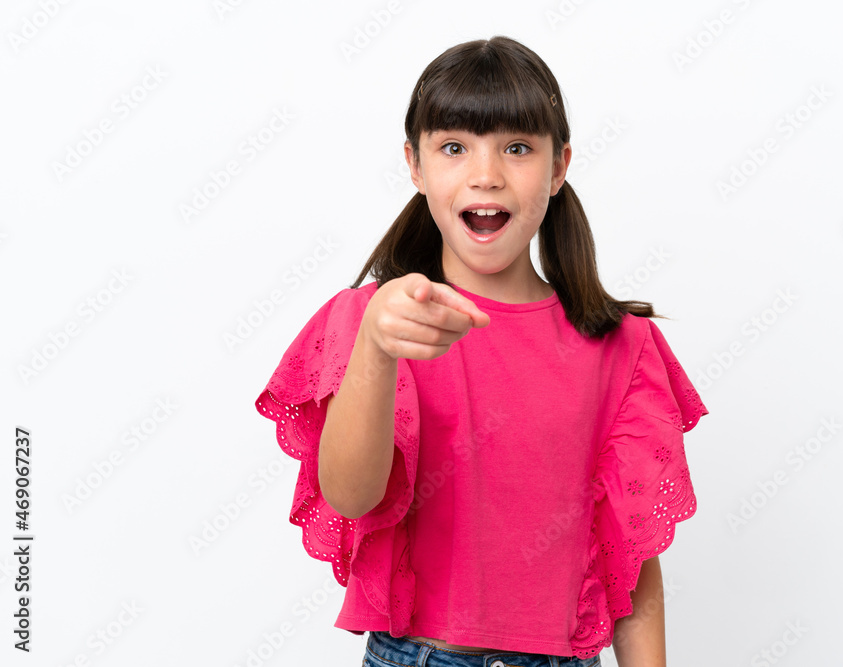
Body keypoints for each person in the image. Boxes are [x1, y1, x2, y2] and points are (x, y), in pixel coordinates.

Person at [255, 35, 709, 667]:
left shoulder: (622, 349)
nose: (486, 174)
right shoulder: (375, 323)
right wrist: (376, 352)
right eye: (454, 147)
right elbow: (350, 496)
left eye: (517, 148)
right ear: (415, 165)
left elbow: (632, 563)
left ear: (558, 167)